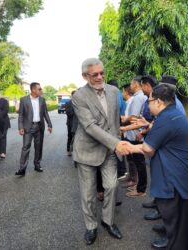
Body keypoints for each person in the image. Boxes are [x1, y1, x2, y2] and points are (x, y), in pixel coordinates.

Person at [129, 83, 188, 250]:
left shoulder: (167, 118)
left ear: (159, 102)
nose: (148, 103)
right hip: (182, 179)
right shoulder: (172, 115)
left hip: (177, 183)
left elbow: (148, 148)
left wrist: (129, 147)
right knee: (181, 228)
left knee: (178, 230)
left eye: (150, 100)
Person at [72, 58, 132, 245]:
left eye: (101, 73)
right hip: (87, 151)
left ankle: (108, 221)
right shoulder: (79, 96)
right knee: (88, 193)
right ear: (85, 76)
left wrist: (120, 138)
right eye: (94, 74)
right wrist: (116, 143)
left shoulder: (114, 92)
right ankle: (91, 226)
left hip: (109, 150)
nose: (100, 77)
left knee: (112, 186)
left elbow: (114, 121)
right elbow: (89, 126)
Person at [15, 82, 52, 176]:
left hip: (39, 127)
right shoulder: (24, 100)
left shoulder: (42, 100)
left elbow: (45, 113)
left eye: (41, 89)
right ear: (33, 90)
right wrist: (20, 127)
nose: (41, 90)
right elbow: (21, 115)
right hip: (28, 127)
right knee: (25, 147)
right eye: (39, 89)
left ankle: (37, 164)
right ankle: (22, 169)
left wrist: (49, 125)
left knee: (38, 147)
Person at [124, 76, 148, 197]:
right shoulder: (138, 97)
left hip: (135, 134)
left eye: (131, 83)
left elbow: (134, 117)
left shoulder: (138, 98)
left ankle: (140, 189)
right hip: (135, 133)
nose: (130, 86)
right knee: (137, 161)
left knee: (139, 162)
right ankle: (138, 186)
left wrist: (124, 123)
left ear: (136, 84)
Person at [65, 90, 77, 156]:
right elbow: (69, 113)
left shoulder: (80, 103)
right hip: (70, 123)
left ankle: (76, 150)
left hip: (78, 124)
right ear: (72, 96)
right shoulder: (68, 103)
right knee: (70, 136)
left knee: (77, 137)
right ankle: (69, 150)